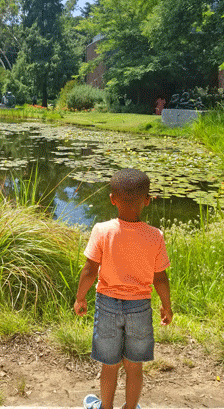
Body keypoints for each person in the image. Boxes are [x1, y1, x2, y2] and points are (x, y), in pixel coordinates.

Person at [74, 168, 173, 409]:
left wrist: (80, 298)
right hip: (140, 307)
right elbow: (160, 277)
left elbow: (89, 270)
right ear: (147, 201)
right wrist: (167, 306)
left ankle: (105, 408)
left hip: (107, 304)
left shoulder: (102, 231)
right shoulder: (155, 236)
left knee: (110, 365)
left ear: (112, 199)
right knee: (134, 365)